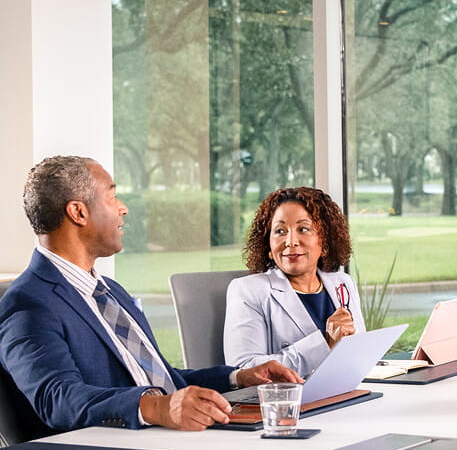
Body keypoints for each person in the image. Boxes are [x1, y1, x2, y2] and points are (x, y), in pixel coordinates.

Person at [0, 156, 302, 433]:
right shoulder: (28, 304)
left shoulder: (109, 292)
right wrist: (157, 407)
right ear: (78, 212)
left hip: (170, 440)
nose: (123, 208)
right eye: (112, 196)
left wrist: (239, 377)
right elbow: (58, 399)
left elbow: (162, 380)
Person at [224, 187, 363, 377]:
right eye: (280, 231)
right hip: (287, 401)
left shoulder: (343, 283)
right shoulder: (247, 291)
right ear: (269, 247)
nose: (291, 241)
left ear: (325, 243)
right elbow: (244, 369)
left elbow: (359, 355)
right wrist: (325, 342)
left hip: (345, 392)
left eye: (303, 229)